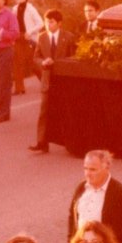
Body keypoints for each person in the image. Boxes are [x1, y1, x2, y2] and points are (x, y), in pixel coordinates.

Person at [68, 150, 122, 243]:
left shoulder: (120, 194)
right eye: (85, 168)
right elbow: (72, 219)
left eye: (93, 169)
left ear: (106, 168)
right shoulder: (81, 188)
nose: (87, 173)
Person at [30, 10, 76, 154]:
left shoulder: (68, 37)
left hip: (64, 80)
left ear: (59, 23)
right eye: (46, 21)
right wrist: (43, 62)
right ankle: (42, 142)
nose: (48, 24)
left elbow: (74, 57)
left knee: (66, 110)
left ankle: (71, 142)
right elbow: (35, 58)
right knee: (44, 110)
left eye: (51, 22)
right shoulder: (42, 37)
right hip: (48, 79)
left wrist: (60, 63)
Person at [12, 0, 45, 96]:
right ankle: (19, 88)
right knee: (17, 63)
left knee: (33, 63)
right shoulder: (14, 8)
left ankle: (46, 84)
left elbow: (41, 23)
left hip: (29, 39)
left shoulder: (31, 9)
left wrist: (30, 32)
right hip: (18, 38)